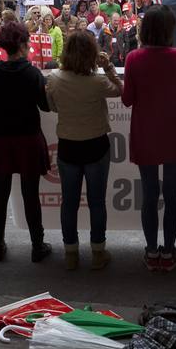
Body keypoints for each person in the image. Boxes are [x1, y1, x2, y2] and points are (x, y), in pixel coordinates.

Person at [121, 5, 176, 272]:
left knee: (149, 194)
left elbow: (127, 99)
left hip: (145, 131)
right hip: (174, 129)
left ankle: (152, 250)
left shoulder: (134, 58)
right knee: (172, 194)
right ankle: (169, 249)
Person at [47, 31, 123, 271]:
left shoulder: (55, 78)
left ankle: (71, 253)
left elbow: (51, 106)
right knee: (96, 202)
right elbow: (120, 90)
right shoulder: (98, 81)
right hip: (96, 145)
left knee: (68, 202)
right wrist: (109, 66)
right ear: (91, 53)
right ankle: (98, 252)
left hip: (68, 146)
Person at [0, 20, 53, 263]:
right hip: (28, 140)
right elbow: (44, 105)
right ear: (22, 44)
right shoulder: (32, 74)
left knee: (0, 194)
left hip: (0, 141)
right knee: (30, 194)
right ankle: (37, 245)